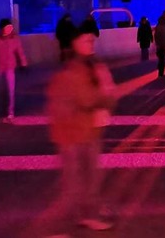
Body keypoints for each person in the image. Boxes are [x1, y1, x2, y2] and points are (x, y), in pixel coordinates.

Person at [42, 28, 117, 236]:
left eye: (92, 41)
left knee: (92, 179)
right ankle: (62, 226)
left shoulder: (92, 66)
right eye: (85, 41)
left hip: (89, 131)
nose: (90, 44)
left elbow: (109, 99)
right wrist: (102, 89)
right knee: (74, 182)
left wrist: (105, 91)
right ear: (75, 43)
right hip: (70, 135)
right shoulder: (71, 69)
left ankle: (88, 216)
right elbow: (87, 99)